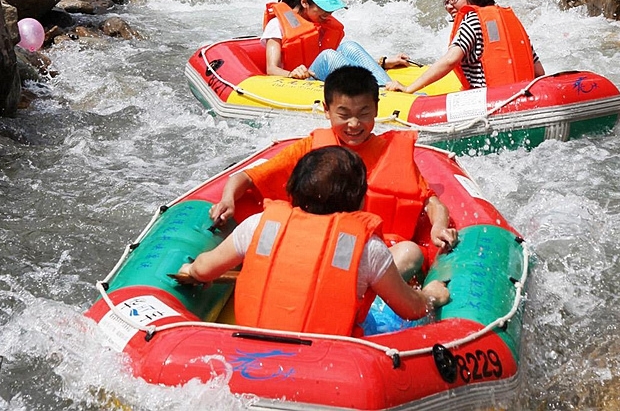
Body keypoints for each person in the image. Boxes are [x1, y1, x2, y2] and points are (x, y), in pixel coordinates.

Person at [210, 65, 457, 278]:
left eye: (364, 114)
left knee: (410, 254)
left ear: (377, 109)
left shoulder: (393, 153)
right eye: (344, 114)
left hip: (371, 256)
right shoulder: (309, 149)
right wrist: (227, 199)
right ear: (327, 110)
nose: (354, 124)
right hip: (314, 248)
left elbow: (432, 203)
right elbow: (246, 177)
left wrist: (438, 226)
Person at [176, 146, 451, 337]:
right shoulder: (368, 250)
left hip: (251, 353)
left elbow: (203, 269)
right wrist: (431, 296)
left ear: (293, 192)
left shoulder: (258, 225)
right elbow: (412, 309)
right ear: (360, 200)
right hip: (329, 358)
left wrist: (193, 271)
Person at [385, 0, 546, 94]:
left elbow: (450, 60)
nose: (448, 6)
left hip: (490, 102)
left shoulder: (472, 20)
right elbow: (538, 71)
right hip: (522, 95)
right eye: (446, 1)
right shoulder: (508, 19)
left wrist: (409, 88)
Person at [262, 0, 408, 85]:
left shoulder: (320, 23)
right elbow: (271, 69)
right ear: (304, 2)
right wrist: (291, 74)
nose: (329, 13)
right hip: (299, 83)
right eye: (323, 7)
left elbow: (341, 61)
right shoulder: (276, 25)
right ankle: (376, 90)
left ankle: (387, 86)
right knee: (328, 56)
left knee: (349, 46)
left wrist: (382, 63)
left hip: (322, 77)